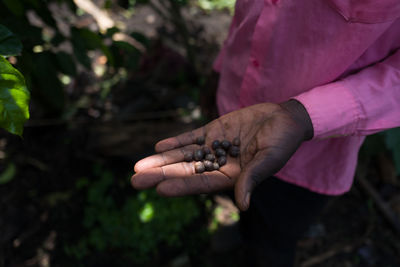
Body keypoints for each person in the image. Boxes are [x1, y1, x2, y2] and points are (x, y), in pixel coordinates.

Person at [131, 1, 400, 266]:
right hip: (235, 103)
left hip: (312, 157)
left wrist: (303, 117)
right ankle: (246, 234)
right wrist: (222, 65)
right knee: (245, 201)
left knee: (276, 235)